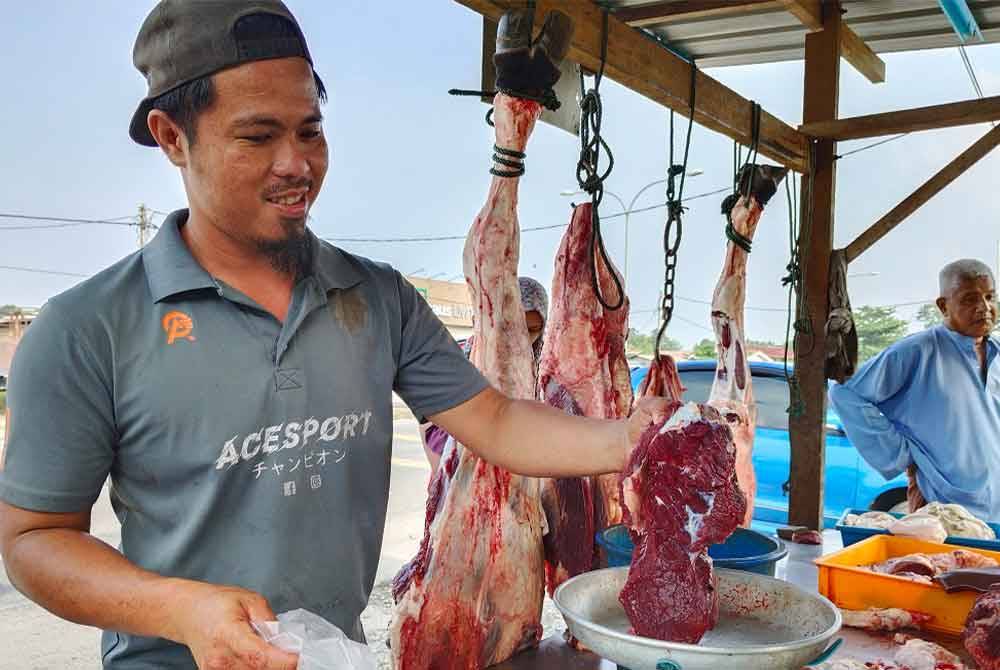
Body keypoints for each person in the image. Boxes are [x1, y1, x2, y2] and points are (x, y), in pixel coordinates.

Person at [0, 3, 668, 669]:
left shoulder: (377, 297)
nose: (297, 165)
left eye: (310, 131)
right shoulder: (87, 328)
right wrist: (180, 608)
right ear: (172, 137)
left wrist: (625, 442)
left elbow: (493, 420)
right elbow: (34, 540)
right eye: (258, 137)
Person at [829, 259, 1000, 519]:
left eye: (990, 297)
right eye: (969, 299)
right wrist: (901, 453)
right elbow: (845, 394)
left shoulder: (996, 352)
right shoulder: (918, 351)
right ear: (943, 306)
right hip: (941, 505)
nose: (984, 308)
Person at [420, 276, 548, 473]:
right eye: (515, 327)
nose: (522, 339)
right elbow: (428, 418)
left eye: (531, 330)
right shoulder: (458, 355)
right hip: (459, 466)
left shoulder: (542, 370)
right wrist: (442, 468)